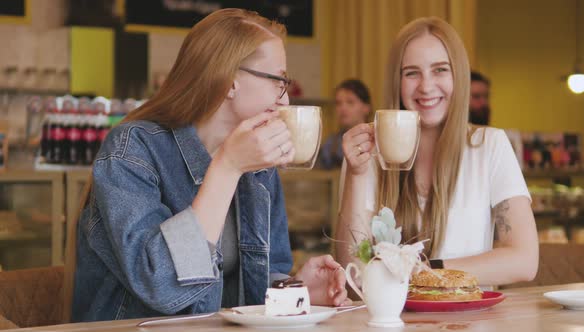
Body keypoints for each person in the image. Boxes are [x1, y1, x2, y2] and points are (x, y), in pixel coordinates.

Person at [71, 8, 348, 322]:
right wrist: (227, 168)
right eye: (279, 81)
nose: (285, 100)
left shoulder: (258, 167)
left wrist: (296, 290)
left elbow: (252, 290)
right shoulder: (132, 150)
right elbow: (160, 283)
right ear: (230, 80)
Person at [335, 17, 538, 286]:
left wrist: (426, 272)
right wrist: (357, 175)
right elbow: (353, 276)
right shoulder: (367, 154)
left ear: (459, 75)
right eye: (411, 73)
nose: (426, 86)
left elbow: (524, 261)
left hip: (470, 325)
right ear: (397, 81)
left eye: (440, 70)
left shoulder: (490, 145)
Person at [318, 79, 371, 169]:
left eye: (350, 102)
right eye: (338, 103)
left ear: (366, 107)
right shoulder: (330, 143)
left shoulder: (377, 141)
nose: (343, 108)